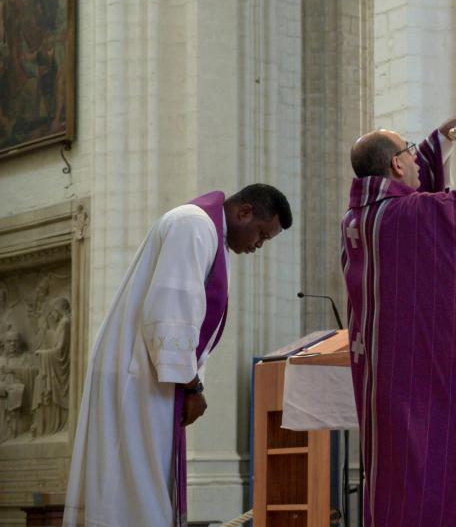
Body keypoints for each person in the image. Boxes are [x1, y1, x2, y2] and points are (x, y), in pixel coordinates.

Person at [63, 185, 292, 527]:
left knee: (140, 483)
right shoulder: (193, 224)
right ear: (244, 212)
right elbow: (170, 311)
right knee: (136, 487)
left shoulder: (207, 233)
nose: (258, 245)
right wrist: (193, 387)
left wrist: (190, 383)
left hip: (148, 373)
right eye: (261, 234)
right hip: (139, 376)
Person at [341, 113, 456, 526]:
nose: (418, 159)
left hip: (385, 383)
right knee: (429, 476)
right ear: (396, 164)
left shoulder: (359, 220)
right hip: (421, 385)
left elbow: (419, 197)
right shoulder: (407, 215)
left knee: (395, 481)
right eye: (411, 152)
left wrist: (440, 139)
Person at [31, 296, 70, 436]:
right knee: (40, 381)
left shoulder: (65, 322)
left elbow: (60, 350)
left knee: (41, 383)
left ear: (59, 308)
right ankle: (42, 426)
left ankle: (48, 426)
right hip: (55, 366)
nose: (53, 314)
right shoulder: (63, 323)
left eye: (54, 310)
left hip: (59, 370)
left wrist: (43, 353)